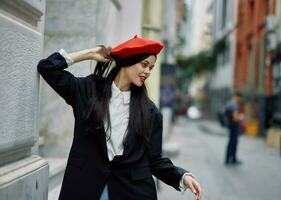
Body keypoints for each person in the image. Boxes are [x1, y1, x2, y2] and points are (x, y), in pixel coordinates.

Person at [37, 35, 202, 200]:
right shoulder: (89, 90)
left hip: (131, 191)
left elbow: (156, 161)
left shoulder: (151, 112)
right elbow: (47, 68)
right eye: (144, 64)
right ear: (127, 61)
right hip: (84, 185)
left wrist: (182, 176)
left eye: (151, 67)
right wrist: (89, 53)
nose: (147, 72)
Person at [224, 92, 244, 165]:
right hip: (234, 127)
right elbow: (235, 118)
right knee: (233, 143)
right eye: (240, 99)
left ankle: (228, 159)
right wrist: (241, 117)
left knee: (230, 143)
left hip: (230, 126)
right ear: (237, 97)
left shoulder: (229, 103)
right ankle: (233, 160)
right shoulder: (234, 105)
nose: (240, 100)